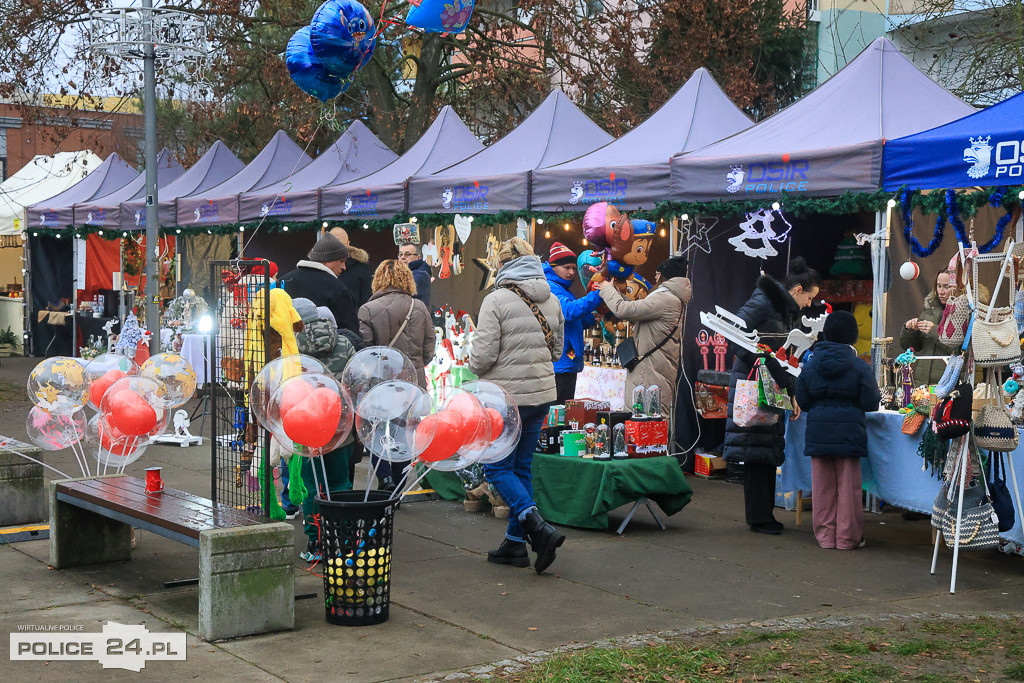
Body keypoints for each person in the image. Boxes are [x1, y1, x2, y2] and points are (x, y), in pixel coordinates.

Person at [469, 237, 566, 574]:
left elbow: (480, 359)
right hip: (541, 394)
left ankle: (535, 524)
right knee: (521, 467)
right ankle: (514, 544)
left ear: (503, 265)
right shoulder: (551, 299)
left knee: (496, 468)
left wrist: (473, 356)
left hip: (505, 399)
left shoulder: (495, 300)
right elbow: (556, 353)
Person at [723, 257, 820, 535]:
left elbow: (779, 354)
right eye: (810, 298)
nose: (809, 305)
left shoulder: (784, 310)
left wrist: (787, 385)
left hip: (771, 384)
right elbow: (735, 338)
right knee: (756, 451)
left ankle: (763, 514)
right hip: (754, 385)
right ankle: (759, 516)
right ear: (798, 289)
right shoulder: (765, 301)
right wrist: (764, 359)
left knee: (766, 451)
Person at [796, 310, 881, 550]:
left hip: (818, 432)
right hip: (849, 433)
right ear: (852, 337)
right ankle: (847, 539)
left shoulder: (810, 366)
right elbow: (871, 402)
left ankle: (825, 537)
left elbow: (803, 400)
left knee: (822, 488)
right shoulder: (859, 367)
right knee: (848, 488)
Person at [289, 297, 357, 562]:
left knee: (310, 485)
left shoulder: (292, 344)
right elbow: (355, 381)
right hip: (341, 424)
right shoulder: (344, 342)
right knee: (340, 481)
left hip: (305, 423)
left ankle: (316, 542)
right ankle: (345, 538)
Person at [358, 259, 436, 490]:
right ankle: (400, 482)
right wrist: (417, 364)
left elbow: (365, 351)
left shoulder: (368, 310)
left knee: (377, 429)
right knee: (407, 431)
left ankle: (385, 478)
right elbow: (429, 347)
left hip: (380, 383)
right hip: (411, 382)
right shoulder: (419, 307)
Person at [598, 255, 691, 421]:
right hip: (653, 367)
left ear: (665, 276)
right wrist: (618, 293)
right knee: (649, 421)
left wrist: (606, 289)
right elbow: (637, 314)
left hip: (649, 371)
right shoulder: (671, 298)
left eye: (658, 273)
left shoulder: (665, 299)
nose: (655, 277)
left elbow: (623, 310)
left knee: (644, 422)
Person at [543, 242, 604, 403]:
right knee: (558, 413)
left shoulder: (563, 288)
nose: (571, 273)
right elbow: (568, 312)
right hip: (560, 363)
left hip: (567, 361)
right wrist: (599, 294)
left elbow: (570, 322)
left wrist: (590, 318)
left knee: (564, 409)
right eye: (566, 268)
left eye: (573, 268)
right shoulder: (551, 288)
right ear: (554, 267)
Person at [279, 233, 359, 333]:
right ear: (328, 259)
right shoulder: (338, 288)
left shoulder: (284, 281)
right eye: (341, 261)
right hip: (324, 347)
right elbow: (350, 332)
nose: (344, 267)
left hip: (286, 346)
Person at [899, 270, 954, 385]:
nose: (941, 292)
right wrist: (910, 331)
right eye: (938, 286)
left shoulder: (966, 312)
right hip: (924, 383)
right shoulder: (929, 310)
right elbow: (911, 347)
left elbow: (962, 349)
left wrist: (935, 331)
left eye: (946, 287)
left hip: (951, 383)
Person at [330, 227, 372, 307]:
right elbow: (367, 299)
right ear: (348, 243)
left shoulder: (318, 267)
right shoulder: (361, 267)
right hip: (354, 316)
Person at [398, 243, 432, 309]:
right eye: (400, 254)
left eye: (407, 254)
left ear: (418, 258)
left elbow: (400, 289)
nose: (402, 257)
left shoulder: (421, 274)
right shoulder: (403, 273)